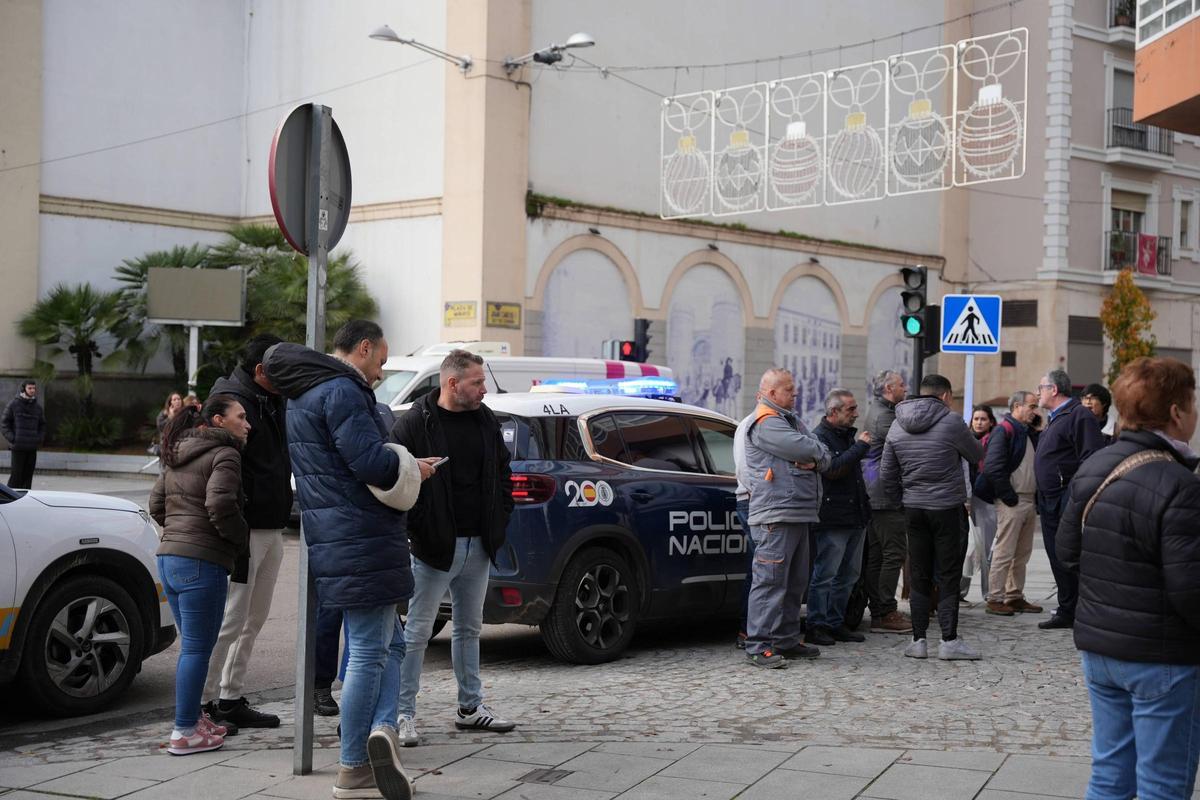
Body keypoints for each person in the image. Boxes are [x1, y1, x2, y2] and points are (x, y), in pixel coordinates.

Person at [264, 320, 435, 800]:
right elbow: (372, 464)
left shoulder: (304, 393)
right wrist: (409, 464)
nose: (381, 372)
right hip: (363, 535)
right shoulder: (341, 390)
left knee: (391, 644)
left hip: (337, 537)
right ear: (363, 348)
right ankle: (354, 763)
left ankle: (384, 729)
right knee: (366, 650)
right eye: (381, 360)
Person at [1057, 357, 1200, 799]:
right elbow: (1190, 589)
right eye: (1192, 403)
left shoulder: (1096, 466)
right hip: (1161, 655)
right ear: (1176, 412)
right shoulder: (1178, 483)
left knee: (1110, 773)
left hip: (1100, 648)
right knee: (1162, 783)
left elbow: (1066, 552)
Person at [391, 349, 516, 746]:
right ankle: (402, 714)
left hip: (479, 543)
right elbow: (394, 474)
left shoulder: (484, 420)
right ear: (452, 383)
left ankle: (470, 707)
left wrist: (500, 517)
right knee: (417, 633)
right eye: (477, 382)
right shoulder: (415, 421)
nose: (484, 389)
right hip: (432, 545)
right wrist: (418, 528)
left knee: (469, 629)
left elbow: (502, 471)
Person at [150, 394, 251, 755]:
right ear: (219, 421)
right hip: (200, 562)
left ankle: (193, 719)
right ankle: (185, 732)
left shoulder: (176, 452)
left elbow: (156, 505)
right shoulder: (226, 454)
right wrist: (239, 539)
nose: (247, 423)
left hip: (170, 558)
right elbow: (220, 504)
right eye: (241, 416)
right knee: (197, 648)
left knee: (193, 646)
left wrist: (179, 532)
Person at [202, 334, 291, 729]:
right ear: (260, 371)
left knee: (253, 619)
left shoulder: (270, 398)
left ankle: (230, 697)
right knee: (230, 619)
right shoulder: (230, 402)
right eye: (280, 371)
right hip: (247, 529)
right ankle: (203, 704)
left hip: (272, 523)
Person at [881, 374, 984, 661]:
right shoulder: (951, 422)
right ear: (946, 396)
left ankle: (919, 640)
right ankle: (949, 641)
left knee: (919, 573)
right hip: (947, 507)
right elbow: (976, 454)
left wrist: (900, 502)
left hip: (913, 507)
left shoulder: (897, 424)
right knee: (949, 573)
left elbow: (887, 474)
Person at [742, 368, 831, 668]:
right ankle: (759, 644)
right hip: (776, 513)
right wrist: (817, 454)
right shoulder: (767, 422)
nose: (796, 393)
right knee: (770, 582)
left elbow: (820, 453)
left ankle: (786, 640)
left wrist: (817, 456)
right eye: (789, 389)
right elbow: (806, 447)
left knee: (794, 582)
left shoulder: (788, 420)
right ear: (772, 393)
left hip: (795, 511)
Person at [1034, 368, 1104, 630]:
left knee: (1069, 554)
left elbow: (1091, 459)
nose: (1038, 392)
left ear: (1053, 390)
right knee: (1055, 554)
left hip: (1066, 498)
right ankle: (1067, 609)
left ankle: (1080, 609)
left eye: (1041, 387)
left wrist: (1073, 494)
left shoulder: (1078, 416)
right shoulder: (1056, 417)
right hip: (1050, 498)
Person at [808, 389, 871, 646]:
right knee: (825, 574)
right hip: (833, 517)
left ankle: (836, 623)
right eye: (851, 410)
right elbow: (832, 469)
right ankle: (816, 624)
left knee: (849, 575)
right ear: (833, 412)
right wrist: (860, 447)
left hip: (855, 514)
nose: (856, 414)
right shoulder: (819, 437)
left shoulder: (847, 436)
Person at [975, 391, 1043, 617]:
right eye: (1032, 406)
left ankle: (1014, 595)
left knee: (1022, 553)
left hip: (1027, 499)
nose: (1035, 410)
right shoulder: (1005, 431)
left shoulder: (1026, 432)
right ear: (1017, 406)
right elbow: (993, 467)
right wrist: (1009, 496)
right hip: (1013, 500)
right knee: (1004, 551)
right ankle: (995, 597)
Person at [862, 370, 912, 634]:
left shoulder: (879, 411)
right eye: (902, 385)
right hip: (884, 493)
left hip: (875, 489)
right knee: (892, 553)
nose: (906, 388)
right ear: (889, 389)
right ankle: (885, 611)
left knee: (879, 554)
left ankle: (880, 609)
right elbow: (904, 446)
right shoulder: (886, 416)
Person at [963, 404, 998, 601]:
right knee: (968, 548)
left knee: (986, 548)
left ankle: (989, 592)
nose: (979, 422)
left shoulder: (993, 441)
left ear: (991, 421)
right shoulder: (966, 440)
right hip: (969, 499)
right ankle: (960, 591)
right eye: (976, 419)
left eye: (983, 419)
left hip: (986, 499)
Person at [731, 400, 757, 649]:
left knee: (759, 568)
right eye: (789, 390)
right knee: (762, 570)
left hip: (752, 500)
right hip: (754, 501)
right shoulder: (753, 424)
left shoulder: (750, 423)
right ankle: (749, 630)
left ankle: (750, 629)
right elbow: (746, 470)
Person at [3, 380, 46, 490]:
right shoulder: (13, 404)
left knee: (28, 477)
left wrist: (39, 438)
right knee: (16, 476)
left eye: (34, 388)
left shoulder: (37, 408)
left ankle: (25, 501)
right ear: (23, 389)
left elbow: (43, 425)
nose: (32, 390)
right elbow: (4, 423)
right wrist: (13, 438)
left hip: (32, 447)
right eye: (30, 388)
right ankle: (9, 499)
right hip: (18, 447)